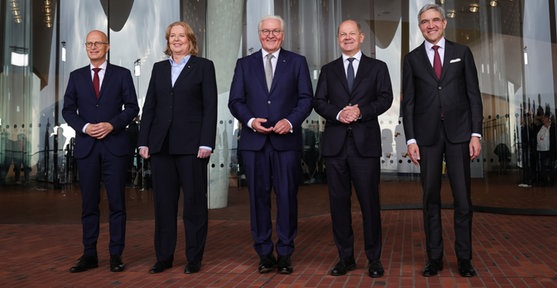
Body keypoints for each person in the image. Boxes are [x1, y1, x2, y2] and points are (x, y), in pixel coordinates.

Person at [402, 3, 483, 277]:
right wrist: (410, 139)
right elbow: (409, 103)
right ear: (420, 26)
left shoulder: (463, 53)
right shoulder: (412, 59)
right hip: (427, 139)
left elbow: (474, 95)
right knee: (430, 199)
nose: (431, 25)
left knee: (463, 200)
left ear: (445, 23)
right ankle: (434, 258)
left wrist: (476, 133)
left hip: (460, 135)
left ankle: (464, 259)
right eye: (425, 21)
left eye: (435, 20)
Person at [228, 15, 313, 275]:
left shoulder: (297, 62)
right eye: (266, 31)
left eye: (275, 31)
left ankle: (285, 252)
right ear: (259, 34)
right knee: (258, 199)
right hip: (255, 143)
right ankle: (264, 253)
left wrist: (290, 121)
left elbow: (306, 98)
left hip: (286, 142)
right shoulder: (244, 64)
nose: (271, 35)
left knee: (287, 198)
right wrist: (251, 121)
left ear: (283, 35)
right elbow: (235, 101)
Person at [313, 19, 393, 278]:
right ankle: (345, 257)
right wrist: (338, 113)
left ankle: (374, 259)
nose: (347, 38)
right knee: (338, 206)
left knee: (370, 204)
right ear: (338, 39)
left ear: (361, 38)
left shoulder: (377, 67)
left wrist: (360, 111)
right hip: (336, 147)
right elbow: (319, 102)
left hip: (365, 146)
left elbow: (385, 98)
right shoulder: (328, 70)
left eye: (351, 34)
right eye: (342, 34)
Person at [138, 21, 217, 275]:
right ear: (167, 41)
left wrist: (206, 141)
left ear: (190, 40)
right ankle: (164, 257)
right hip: (161, 147)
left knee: (194, 205)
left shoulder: (204, 67)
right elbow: (149, 106)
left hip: (192, 147)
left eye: (181, 35)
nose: (176, 39)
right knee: (163, 206)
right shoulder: (159, 68)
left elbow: (210, 107)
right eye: (172, 36)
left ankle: (194, 258)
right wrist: (143, 141)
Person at [62, 30, 139, 273]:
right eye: (89, 43)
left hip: (114, 147)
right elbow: (67, 110)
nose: (93, 47)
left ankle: (116, 255)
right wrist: (84, 127)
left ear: (107, 46)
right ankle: (89, 254)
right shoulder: (76, 77)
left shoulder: (122, 75)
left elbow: (132, 107)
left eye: (98, 43)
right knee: (89, 205)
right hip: (87, 149)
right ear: (86, 47)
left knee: (117, 203)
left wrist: (112, 124)